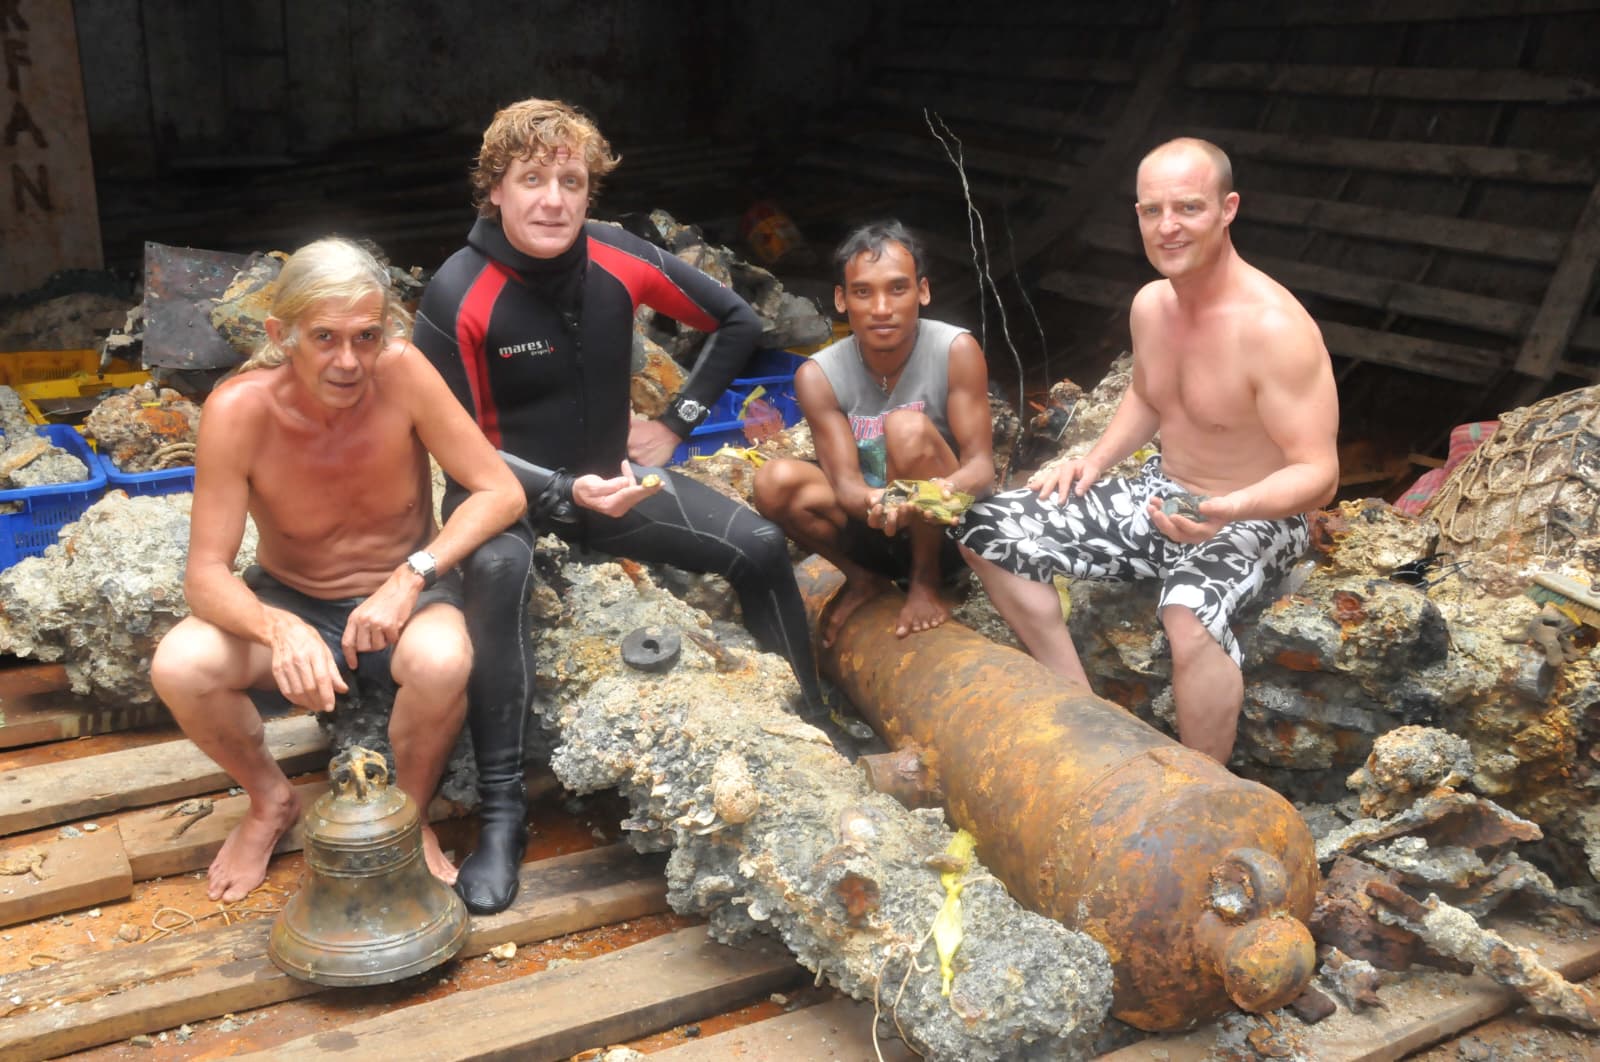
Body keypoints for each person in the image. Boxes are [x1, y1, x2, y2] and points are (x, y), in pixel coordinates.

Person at [414, 97, 826, 916]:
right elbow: (449, 440)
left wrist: (677, 423)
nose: (553, 199)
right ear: (494, 188)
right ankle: (502, 814)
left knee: (762, 547)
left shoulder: (614, 253)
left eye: (571, 180)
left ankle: (813, 725)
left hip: (614, 484)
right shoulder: (457, 292)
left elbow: (739, 320)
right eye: (532, 179)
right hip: (504, 496)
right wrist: (563, 491)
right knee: (496, 579)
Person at [150, 237, 526, 903]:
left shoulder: (404, 373)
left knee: (442, 660)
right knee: (179, 665)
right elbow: (205, 574)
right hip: (292, 598)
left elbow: (501, 491)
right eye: (324, 337)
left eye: (367, 337)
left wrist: (411, 576)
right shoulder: (238, 410)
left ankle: (405, 815)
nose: (349, 361)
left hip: (404, 595)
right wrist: (278, 630)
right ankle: (270, 801)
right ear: (281, 334)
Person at [955, 137, 1340, 765]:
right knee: (986, 528)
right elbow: (1149, 396)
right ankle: (1083, 711)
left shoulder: (1273, 329)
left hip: (1257, 516)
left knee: (1188, 614)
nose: (1168, 227)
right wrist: (1096, 459)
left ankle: (1200, 785)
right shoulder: (1151, 305)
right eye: (1151, 211)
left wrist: (1228, 509)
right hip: (1161, 490)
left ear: (1228, 209)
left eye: (1188, 208)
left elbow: (1320, 475)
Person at [753, 221, 993, 645]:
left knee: (906, 428)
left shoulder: (955, 349)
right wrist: (877, 501)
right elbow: (845, 482)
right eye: (863, 292)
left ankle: (925, 581)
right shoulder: (818, 375)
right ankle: (864, 580)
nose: (881, 308)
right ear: (842, 300)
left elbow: (980, 469)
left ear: (923, 291)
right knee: (773, 482)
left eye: (897, 289)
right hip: (875, 519)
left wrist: (919, 497)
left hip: (949, 522)